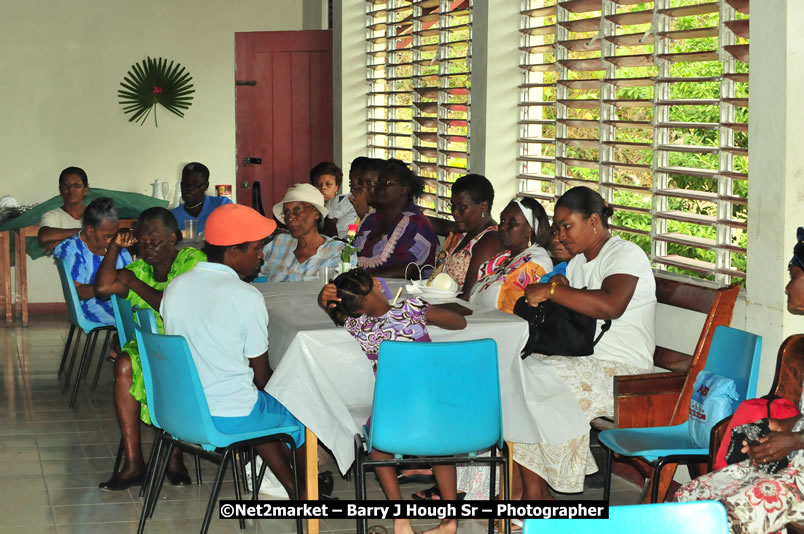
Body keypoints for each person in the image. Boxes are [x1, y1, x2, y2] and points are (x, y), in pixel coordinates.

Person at [512, 186, 656, 502]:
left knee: (533, 380)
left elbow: (611, 305)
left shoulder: (624, 253)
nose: (561, 236)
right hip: (587, 361)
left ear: (593, 221)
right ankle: (533, 492)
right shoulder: (578, 263)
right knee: (516, 373)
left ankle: (534, 494)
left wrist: (553, 292)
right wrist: (561, 288)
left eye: (567, 226)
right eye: (558, 228)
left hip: (623, 370)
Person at [161, 203, 306, 500]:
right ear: (233, 251)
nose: (261, 255)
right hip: (229, 415)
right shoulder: (244, 296)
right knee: (305, 411)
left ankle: (291, 485)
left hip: (180, 411)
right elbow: (261, 378)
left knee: (256, 404)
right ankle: (305, 491)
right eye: (257, 248)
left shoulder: (175, 287)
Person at [674, 228, 804, 533]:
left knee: (720, 516)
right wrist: (783, 426)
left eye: (794, 275)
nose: (787, 287)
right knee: (691, 496)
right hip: (796, 466)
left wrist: (795, 440)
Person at [318, 268, 466, 534]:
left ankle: (401, 519)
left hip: (394, 416)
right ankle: (450, 521)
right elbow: (459, 323)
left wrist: (325, 303)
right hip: (434, 409)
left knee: (377, 449)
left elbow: (340, 316)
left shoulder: (358, 326)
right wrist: (428, 312)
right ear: (376, 285)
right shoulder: (412, 308)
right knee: (441, 450)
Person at [94, 208, 206, 490]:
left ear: (173, 237)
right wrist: (115, 247)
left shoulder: (192, 261)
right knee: (124, 363)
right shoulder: (140, 269)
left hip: (190, 346)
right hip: (151, 347)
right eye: (142, 242)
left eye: (154, 240)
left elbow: (171, 306)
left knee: (174, 367)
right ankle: (134, 463)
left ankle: (175, 455)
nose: (148, 247)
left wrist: (132, 282)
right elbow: (103, 288)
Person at [354, 159, 439, 278]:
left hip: (403, 287)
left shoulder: (416, 224)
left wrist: (370, 279)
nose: (380, 187)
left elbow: (410, 269)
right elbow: (354, 255)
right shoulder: (371, 218)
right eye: (378, 182)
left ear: (404, 189)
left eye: (388, 183)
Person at [52, 197, 132, 325]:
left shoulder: (117, 247)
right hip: (92, 306)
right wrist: (111, 287)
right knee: (137, 322)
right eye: (107, 236)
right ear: (90, 230)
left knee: (152, 314)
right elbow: (77, 292)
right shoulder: (73, 250)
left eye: (114, 235)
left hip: (122, 303)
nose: (112, 240)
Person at [468, 197, 553, 313]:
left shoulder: (535, 264)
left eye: (512, 223)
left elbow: (512, 313)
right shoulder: (504, 258)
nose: (503, 226)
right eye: (502, 220)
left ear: (529, 229)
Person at [433, 174, 502, 298]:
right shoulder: (465, 232)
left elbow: (468, 296)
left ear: (483, 206)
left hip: (461, 308)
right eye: (453, 206)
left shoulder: (490, 240)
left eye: (462, 207)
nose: (454, 212)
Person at [260, 184, 345, 282]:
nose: (290, 217)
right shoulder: (275, 245)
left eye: (297, 210)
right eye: (286, 212)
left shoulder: (338, 252)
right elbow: (256, 282)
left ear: (316, 213)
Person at [39, 166, 90, 254]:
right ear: (60, 190)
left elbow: (105, 239)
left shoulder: (97, 213)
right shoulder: (53, 215)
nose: (71, 189)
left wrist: (64, 242)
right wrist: (83, 233)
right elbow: (44, 236)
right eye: (66, 185)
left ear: (85, 190)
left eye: (77, 185)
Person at [170, 162, 232, 234]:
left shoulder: (222, 205)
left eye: (195, 184)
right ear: (181, 185)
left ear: (206, 186)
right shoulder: (172, 217)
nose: (189, 188)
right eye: (185, 184)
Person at [310, 161, 357, 239]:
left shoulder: (347, 207)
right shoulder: (307, 207)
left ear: (336, 187)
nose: (323, 188)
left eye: (328, 184)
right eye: (318, 184)